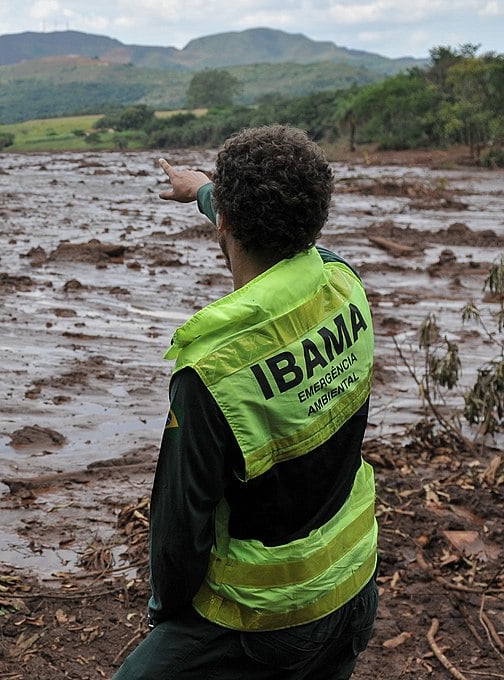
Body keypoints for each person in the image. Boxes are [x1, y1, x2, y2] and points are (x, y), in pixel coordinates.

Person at [114, 125, 379, 679]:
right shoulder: (342, 284)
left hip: (264, 618)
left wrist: (166, 615)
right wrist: (205, 192)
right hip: (355, 578)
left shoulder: (210, 368)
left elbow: (178, 534)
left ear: (226, 226)